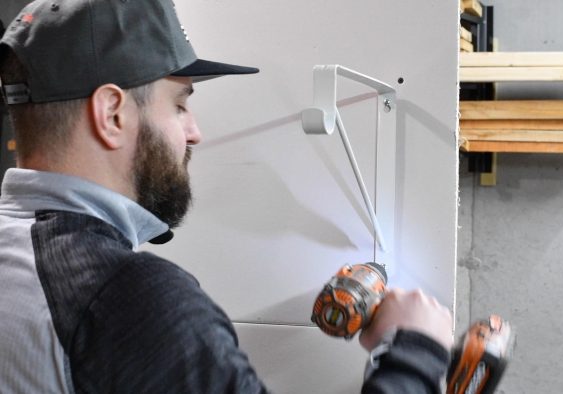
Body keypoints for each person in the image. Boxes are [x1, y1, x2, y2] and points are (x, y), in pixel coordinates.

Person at [0, 0, 454, 392]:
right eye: (179, 105)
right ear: (112, 114)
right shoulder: (129, 299)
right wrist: (416, 351)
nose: (195, 132)